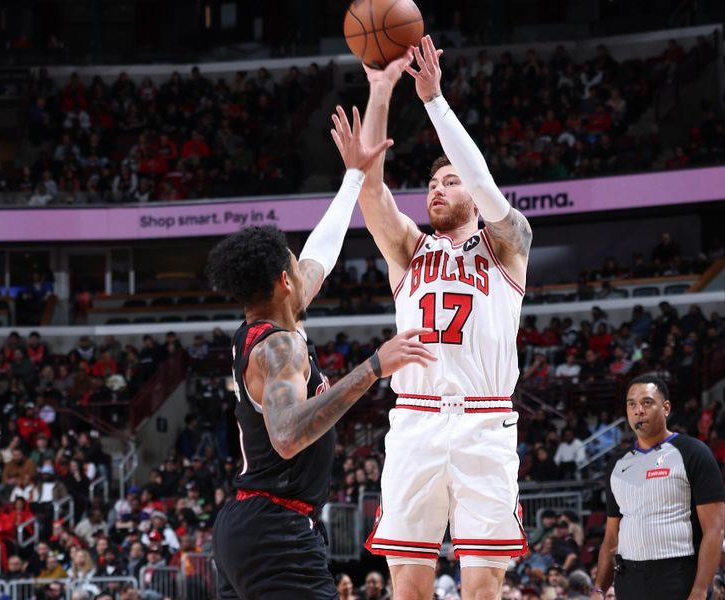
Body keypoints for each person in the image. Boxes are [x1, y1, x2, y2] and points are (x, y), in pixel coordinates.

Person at [207, 105, 436, 600]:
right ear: (285, 283)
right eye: (294, 263)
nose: (302, 263)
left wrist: (354, 176)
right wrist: (374, 367)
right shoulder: (281, 347)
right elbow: (287, 436)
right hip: (276, 530)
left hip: (247, 526)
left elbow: (321, 254)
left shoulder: (265, 320)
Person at [359, 35, 533, 599]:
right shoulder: (410, 249)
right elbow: (370, 188)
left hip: (485, 424)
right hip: (416, 419)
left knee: (483, 590)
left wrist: (434, 101)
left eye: (448, 180)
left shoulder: (508, 245)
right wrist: (381, 91)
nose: (437, 188)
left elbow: (481, 179)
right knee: (409, 589)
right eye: (432, 183)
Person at [591, 374, 725, 600]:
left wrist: (700, 590)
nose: (638, 410)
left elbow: (714, 529)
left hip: (679, 576)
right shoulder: (616, 464)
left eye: (646, 402)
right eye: (631, 404)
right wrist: (599, 589)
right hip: (629, 579)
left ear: (666, 408)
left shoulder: (693, 452)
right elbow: (612, 536)